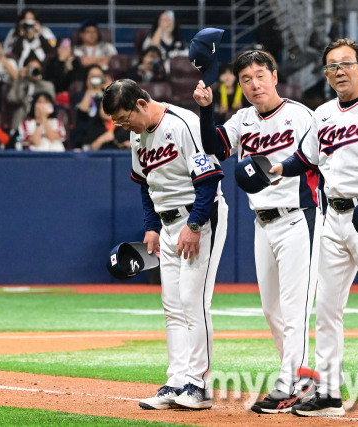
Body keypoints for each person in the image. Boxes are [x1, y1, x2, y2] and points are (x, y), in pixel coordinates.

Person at [270, 38, 358, 418]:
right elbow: (304, 158)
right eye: (332, 66)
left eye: (347, 64)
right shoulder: (323, 114)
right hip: (331, 217)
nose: (340, 71)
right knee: (326, 308)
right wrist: (279, 168)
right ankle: (329, 391)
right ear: (327, 75)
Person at [193, 49, 321, 414]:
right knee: (271, 309)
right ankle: (302, 380)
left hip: (299, 217)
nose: (254, 84)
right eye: (246, 79)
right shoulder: (243, 119)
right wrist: (206, 110)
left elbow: (315, 162)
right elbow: (215, 147)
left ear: (275, 76)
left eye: (260, 76)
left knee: (296, 309)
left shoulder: (300, 116)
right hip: (262, 222)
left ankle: (289, 384)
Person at [102, 79, 227, 411]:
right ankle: (176, 381)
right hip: (168, 224)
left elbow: (210, 179)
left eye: (124, 117)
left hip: (199, 217)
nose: (122, 125)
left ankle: (198, 385)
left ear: (142, 104)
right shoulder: (137, 134)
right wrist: (151, 227)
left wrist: (195, 224)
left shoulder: (183, 123)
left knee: (192, 300)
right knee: (172, 304)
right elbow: (145, 184)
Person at [7, 54, 56, 130]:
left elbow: (50, 100)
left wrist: (38, 80)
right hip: (23, 115)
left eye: (36, 68)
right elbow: (11, 98)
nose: (33, 70)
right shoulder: (21, 83)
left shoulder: (47, 84)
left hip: (41, 116)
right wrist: (20, 80)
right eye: (30, 68)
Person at [43, 37, 84, 107]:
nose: (66, 50)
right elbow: (51, 81)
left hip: (70, 94)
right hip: (54, 93)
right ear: (58, 49)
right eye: (63, 48)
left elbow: (78, 80)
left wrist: (70, 69)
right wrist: (62, 64)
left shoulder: (75, 62)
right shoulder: (52, 62)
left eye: (68, 48)